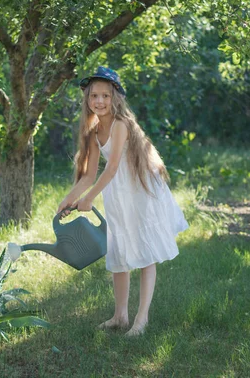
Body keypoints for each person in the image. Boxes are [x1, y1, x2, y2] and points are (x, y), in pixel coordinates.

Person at [56, 66, 188, 336]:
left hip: (140, 190)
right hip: (118, 193)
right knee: (119, 252)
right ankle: (120, 316)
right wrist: (68, 201)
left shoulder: (119, 125)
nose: (100, 101)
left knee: (145, 251)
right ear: (87, 100)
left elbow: (113, 166)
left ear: (115, 98)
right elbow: (88, 176)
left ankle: (141, 319)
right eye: (94, 96)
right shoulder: (93, 134)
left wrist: (90, 199)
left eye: (105, 95)